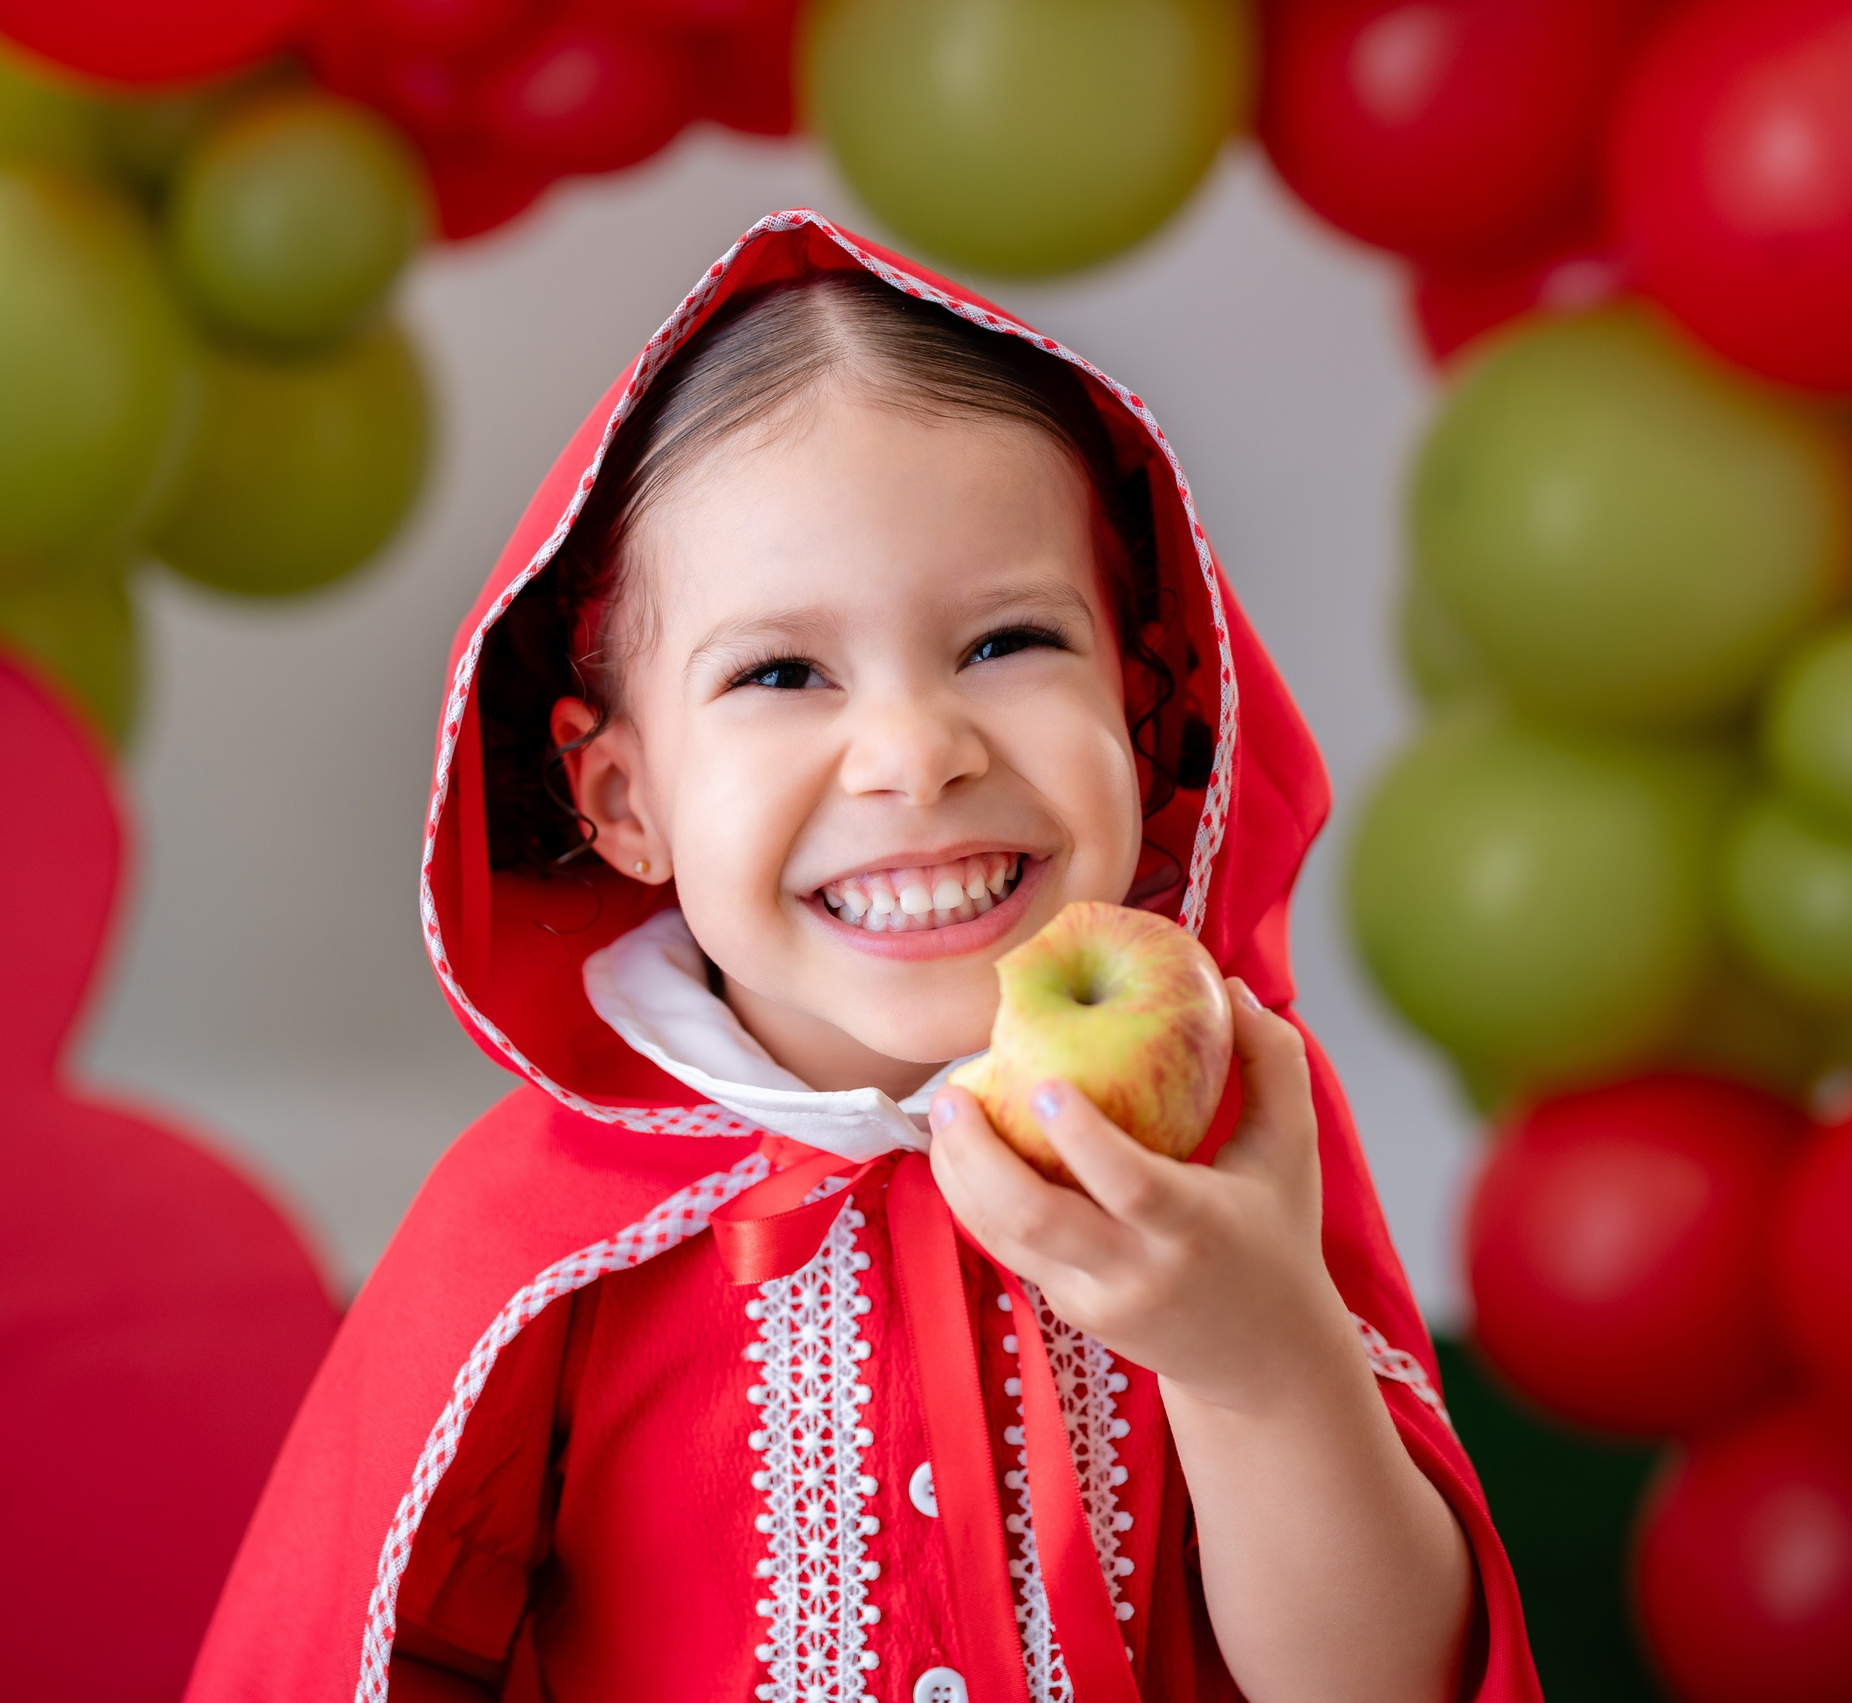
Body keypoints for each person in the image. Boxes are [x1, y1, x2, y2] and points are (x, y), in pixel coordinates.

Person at [183, 212, 1536, 1703]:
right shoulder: (533, 1231)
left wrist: (1258, 1362)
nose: (913, 752)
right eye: (781, 672)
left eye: (1008, 643)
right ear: (625, 802)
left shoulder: (1233, 1140)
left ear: (1143, 702)